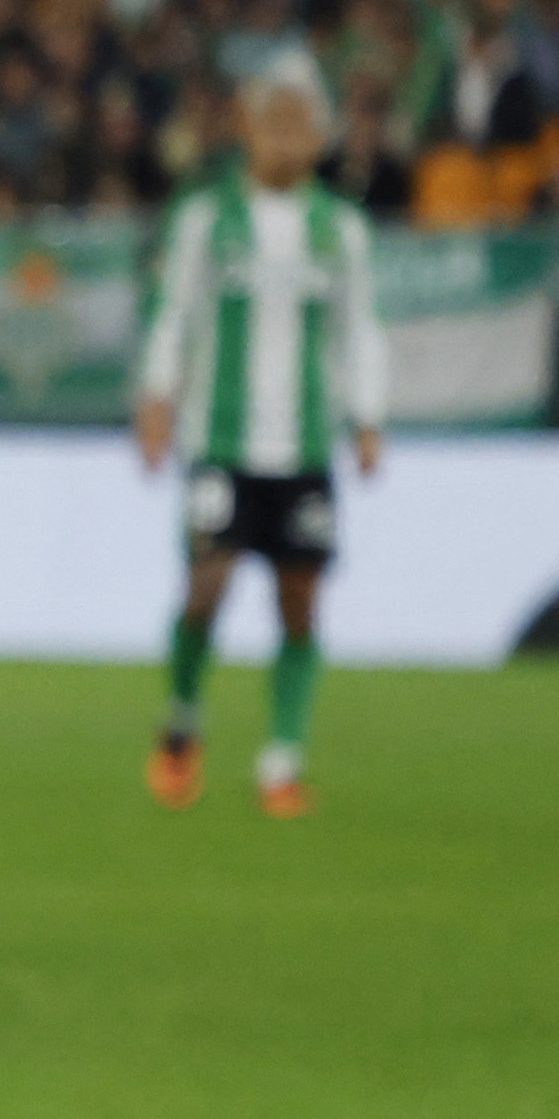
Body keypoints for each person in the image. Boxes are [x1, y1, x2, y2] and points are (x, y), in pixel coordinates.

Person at [134, 46, 386, 819]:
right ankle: (180, 721)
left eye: (299, 123)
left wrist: (366, 416)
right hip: (220, 437)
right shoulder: (207, 219)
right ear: (246, 126)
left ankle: (280, 759)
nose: (284, 136)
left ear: (319, 134)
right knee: (205, 583)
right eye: (272, 120)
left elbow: (358, 330)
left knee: (299, 597)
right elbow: (173, 312)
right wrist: (154, 396)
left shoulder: (338, 229)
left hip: (303, 445)